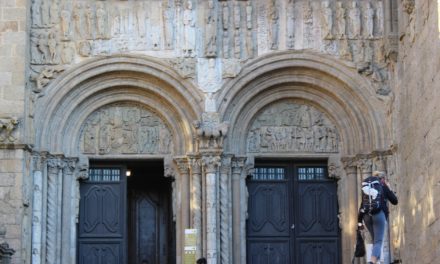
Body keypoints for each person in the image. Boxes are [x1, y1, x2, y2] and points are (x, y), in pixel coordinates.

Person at [358, 171, 398, 264]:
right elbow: (395, 201)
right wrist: (389, 188)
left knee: (375, 240)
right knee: (378, 242)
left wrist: (359, 222)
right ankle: (372, 262)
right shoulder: (383, 186)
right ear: (383, 179)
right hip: (379, 215)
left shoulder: (367, 189)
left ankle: (377, 261)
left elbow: (362, 206)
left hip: (366, 216)